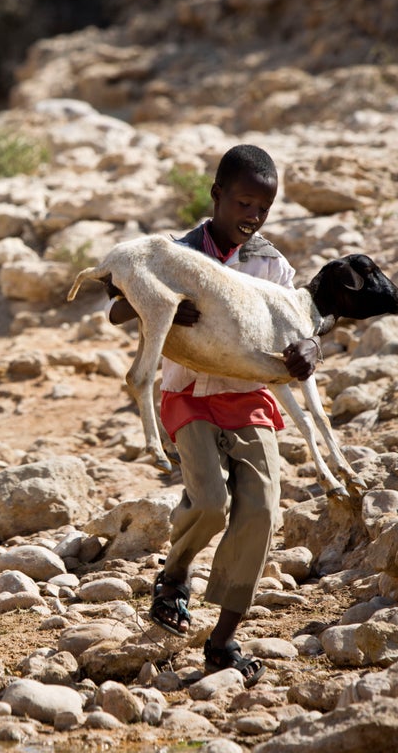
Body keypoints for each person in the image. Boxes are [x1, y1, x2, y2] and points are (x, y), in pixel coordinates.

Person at [108, 144, 321, 689]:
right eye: (243, 203)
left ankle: (223, 639)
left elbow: (300, 327)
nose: (252, 217)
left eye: (262, 208)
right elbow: (116, 310)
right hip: (188, 397)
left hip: (250, 398)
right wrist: (164, 305)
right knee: (208, 504)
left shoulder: (272, 265)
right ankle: (174, 578)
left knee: (262, 511)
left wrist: (312, 350)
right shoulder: (176, 255)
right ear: (216, 197)